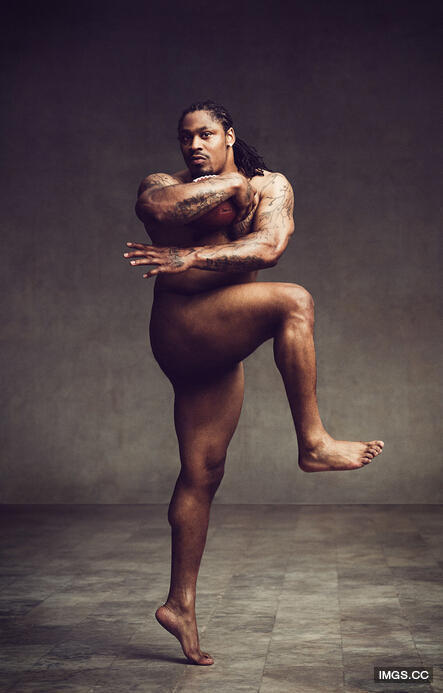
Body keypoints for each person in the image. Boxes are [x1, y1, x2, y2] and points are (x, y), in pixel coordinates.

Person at [123, 100, 384, 666]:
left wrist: (196, 249)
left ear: (229, 135)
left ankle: (179, 604)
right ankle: (313, 442)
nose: (194, 145)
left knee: (203, 471)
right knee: (294, 302)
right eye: (186, 137)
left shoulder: (271, 186)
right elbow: (154, 209)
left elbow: (269, 248)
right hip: (181, 329)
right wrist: (232, 187)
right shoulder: (165, 183)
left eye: (206, 134)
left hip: (222, 339)